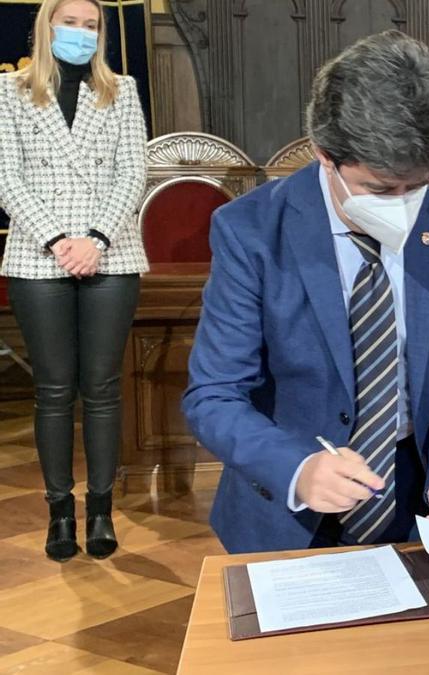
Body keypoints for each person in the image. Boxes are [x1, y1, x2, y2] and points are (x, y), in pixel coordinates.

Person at [182, 31, 429, 554]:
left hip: (414, 502)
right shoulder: (252, 230)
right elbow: (213, 395)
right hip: (287, 508)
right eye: (380, 189)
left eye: (415, 186)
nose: (402, 204)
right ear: (324, 154)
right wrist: (299, 468)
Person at [0, 0, 148, 561]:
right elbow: (6, 178)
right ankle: (60, 514)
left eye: (91, 26)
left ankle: (102, 511)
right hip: (40, 257)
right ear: (47, 26)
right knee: (55, 390)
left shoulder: (122, 89)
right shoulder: (11, 91)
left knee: (104, 389)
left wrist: (96, 239)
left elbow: (133, 172)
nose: (81, 33)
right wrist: (59, 241)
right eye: (71, 23)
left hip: (110, 253)